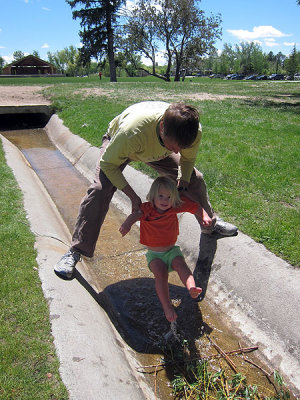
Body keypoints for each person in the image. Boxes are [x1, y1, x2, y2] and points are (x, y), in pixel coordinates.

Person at [54, 101, 237, 279]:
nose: (177, 151)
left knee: (195, 180)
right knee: (100, 189)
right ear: (162, 127)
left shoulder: (191, 131)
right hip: (123, 146)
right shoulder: (131, 133)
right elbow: (109, 165)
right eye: (173, 146)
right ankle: (76, 251)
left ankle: (210, 225)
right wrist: (133, 197)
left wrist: (182, 182)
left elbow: (186, 160)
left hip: (155, 148)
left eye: (181, 147)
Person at [119, 176, 210, 322]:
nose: (164, 200)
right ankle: (167, 307)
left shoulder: (175, 206)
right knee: (161, 276)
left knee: (182, 266)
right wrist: (127, 225)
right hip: (154, 255)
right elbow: (135, 215)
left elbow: (195, 207)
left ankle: (192, 288)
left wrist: (204, 215)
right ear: (153, 196)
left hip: (171, 251)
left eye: (169, 197)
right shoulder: (147, 209)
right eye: (160, 196)